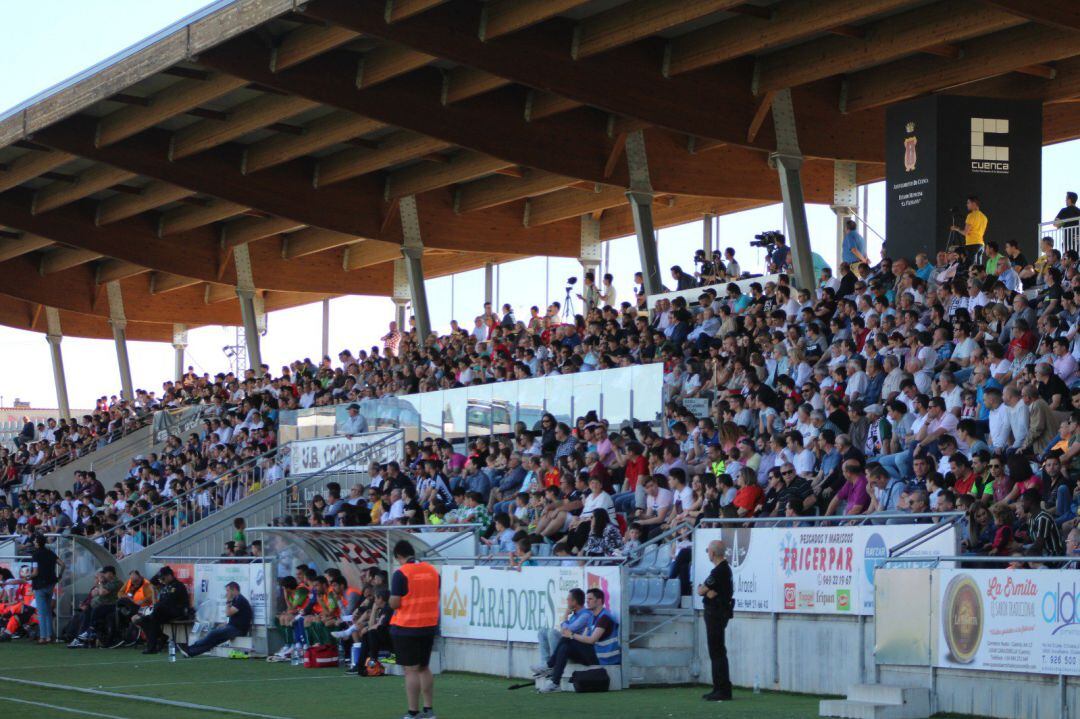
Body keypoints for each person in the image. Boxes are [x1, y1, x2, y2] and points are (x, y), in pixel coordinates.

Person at [389, 540, 440, 719]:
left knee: (410, 670)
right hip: (429, 624)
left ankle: (413, 711)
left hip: (407, 626)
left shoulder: (401, 573)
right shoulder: (432, 570)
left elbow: (395, 602)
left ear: (399, 556)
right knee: (424, 667)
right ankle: (429, 710)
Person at [537, 587, 620, 692]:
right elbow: (584, 637)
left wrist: (571, 635)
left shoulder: (604, 617)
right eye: (587, 599)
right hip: (595, 655)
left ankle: (549, 666)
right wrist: (571, 636)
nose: (587, 602)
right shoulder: (593, 617)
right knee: (565, 646)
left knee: (567, 639)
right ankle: (555, 682)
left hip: (604, 659)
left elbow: (591, 640)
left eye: (590, 599)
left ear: (599, 601)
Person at [698, 539, 734, 702]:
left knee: (717, 651)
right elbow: (706, 591)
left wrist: (706, 591)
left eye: (708, 551)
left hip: (716, 613)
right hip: (718, 612)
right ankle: (719, 687)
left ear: (712, 553)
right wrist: (707, 592)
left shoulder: (719, 571)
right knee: (717, 651)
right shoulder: (723, 570)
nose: (708, 554)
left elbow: (701, 590)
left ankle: (722, 689)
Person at [177, 581, 252, 658]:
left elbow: (228, 613)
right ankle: (190, 652)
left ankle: (189, 648)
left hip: (238, 630)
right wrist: (225, 624)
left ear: (234, 589)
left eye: (228, 590)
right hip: (235, 627)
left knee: (213, 634)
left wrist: (228, 600)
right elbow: (235, 617)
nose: (227, 593)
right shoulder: (237, 599)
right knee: (213, 641)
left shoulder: (240, 600)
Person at [530, 588, 592, 676]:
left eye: (568, 599)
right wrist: (565, 622)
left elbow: (568, 630)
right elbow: (565, 631)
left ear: (574, 602)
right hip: (570, 641)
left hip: (577, 647)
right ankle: (544, 666)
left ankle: (551, 667)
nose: (566, 601)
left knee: (553, 633)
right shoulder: (575, 614)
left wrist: (565, 615)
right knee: (542, 632)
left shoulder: (585, 615)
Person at [137, 566, 190, 654]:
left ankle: (152, 646)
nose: (161, 580)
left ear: (169, 576)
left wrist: (157, 607)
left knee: (155, 614)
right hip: (163, 612)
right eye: (161, 578)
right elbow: (152, 581)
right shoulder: (165, 586)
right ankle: (162, 636)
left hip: (177, 611)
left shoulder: (178, 586)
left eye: (163, 578)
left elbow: (169, 602)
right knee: (143, 620)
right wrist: (160, 573)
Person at [28, 533, 62, 644]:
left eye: (35, 541)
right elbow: (63, 564)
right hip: (51, 583)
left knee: (42, 613)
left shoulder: (35, 555)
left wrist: (27, 576)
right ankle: (49, 635)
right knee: (47, 611)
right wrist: (59, 576)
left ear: (38, 543)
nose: (33, 542)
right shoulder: (50, 553)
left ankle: (43, 637)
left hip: (39, 585)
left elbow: (35, 572)